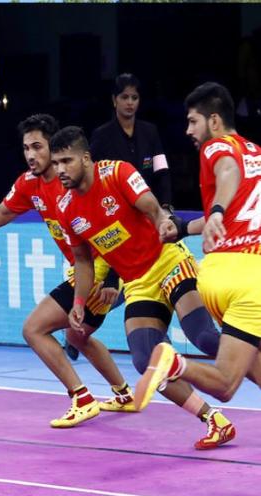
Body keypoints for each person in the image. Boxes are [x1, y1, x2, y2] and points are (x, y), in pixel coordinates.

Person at [0, 114, 135, 428]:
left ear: (54, 147)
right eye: (26, 148)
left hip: (101, 268)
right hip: (82, 269)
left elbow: (116, 225)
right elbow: (0, 213)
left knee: (34, 329)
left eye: (38, 147)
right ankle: (124, 394)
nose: (30, 154)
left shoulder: (75, 181)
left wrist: (112, 276)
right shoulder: (30, 183)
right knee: (77, 335)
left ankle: (82, 398)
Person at [51, 126, 237, 449]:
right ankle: (214, 420)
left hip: (168, 261)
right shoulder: (66, 208)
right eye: (56, 163)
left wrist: (163, 222)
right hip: (137, 283)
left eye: (66, 161)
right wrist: (79, 302)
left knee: (203, 337)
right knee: (145, 360)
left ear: (86, 158)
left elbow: (151, 206)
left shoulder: (117, 173)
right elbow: (82, 261)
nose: (60, 170)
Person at [135, 82, 261, 412]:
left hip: (218, 274)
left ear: (214, 120)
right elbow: (229, 172)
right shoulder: (251, 153)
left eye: (193, 121)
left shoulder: (215, 146)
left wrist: (184, 228)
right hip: (250, 279)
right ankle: (174, 363)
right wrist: (217, 211)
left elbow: (228, 177)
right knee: (225, 384)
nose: (188, 130)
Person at [90, 73, 172, 205]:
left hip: (149, 206)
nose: (130, 102)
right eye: (124, 97)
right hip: (115, 207)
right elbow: (94, 178)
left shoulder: (151, 131)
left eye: (134, 97)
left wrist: (166, 205)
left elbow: (162, 171)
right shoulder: (101, 136)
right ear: (114, 100)